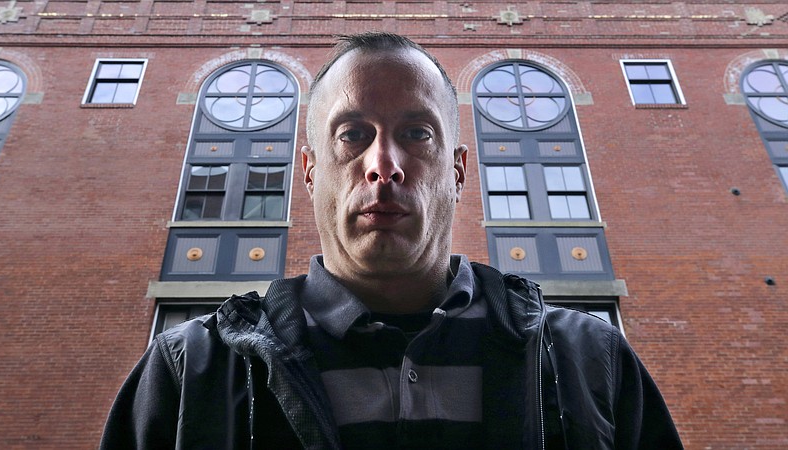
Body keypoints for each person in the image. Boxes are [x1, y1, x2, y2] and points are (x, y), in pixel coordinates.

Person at [100, 32, 683, 449]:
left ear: (458, 171)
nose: (384, 164)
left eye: (416, 133)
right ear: (309, 171)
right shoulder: (191, 370)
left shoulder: (591, 361)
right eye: (352, 134)